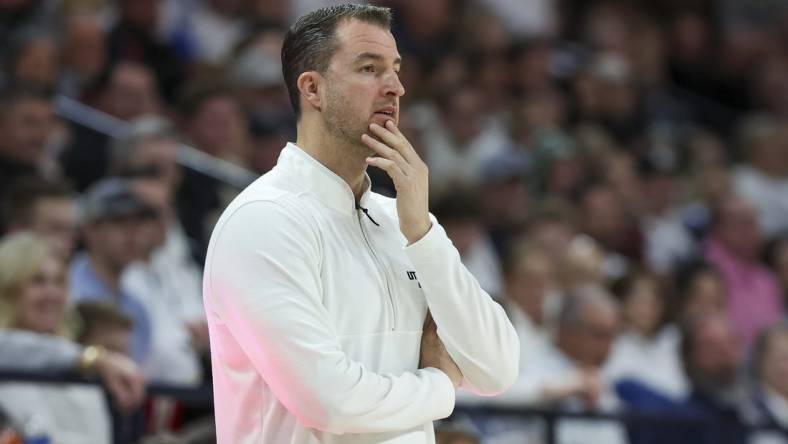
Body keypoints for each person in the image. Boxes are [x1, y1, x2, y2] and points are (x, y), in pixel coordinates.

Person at [203, 4, 519, 443]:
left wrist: (425, 238)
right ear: (313, 89)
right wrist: (440, 386)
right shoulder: (263, 221)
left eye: (396, 69)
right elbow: (328, 400)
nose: (395, 87)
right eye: (369, 69)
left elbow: (497, 369)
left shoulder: (403, 221)